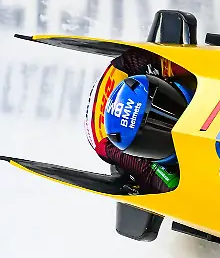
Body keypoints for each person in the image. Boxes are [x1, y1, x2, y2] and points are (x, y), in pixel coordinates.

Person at [83, 48, 194, 194]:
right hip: (110, 143)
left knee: (183, 70)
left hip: (131, 71)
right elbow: (162, 180)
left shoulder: (138, 63)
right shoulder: (112, 148)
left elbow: (193, 64)